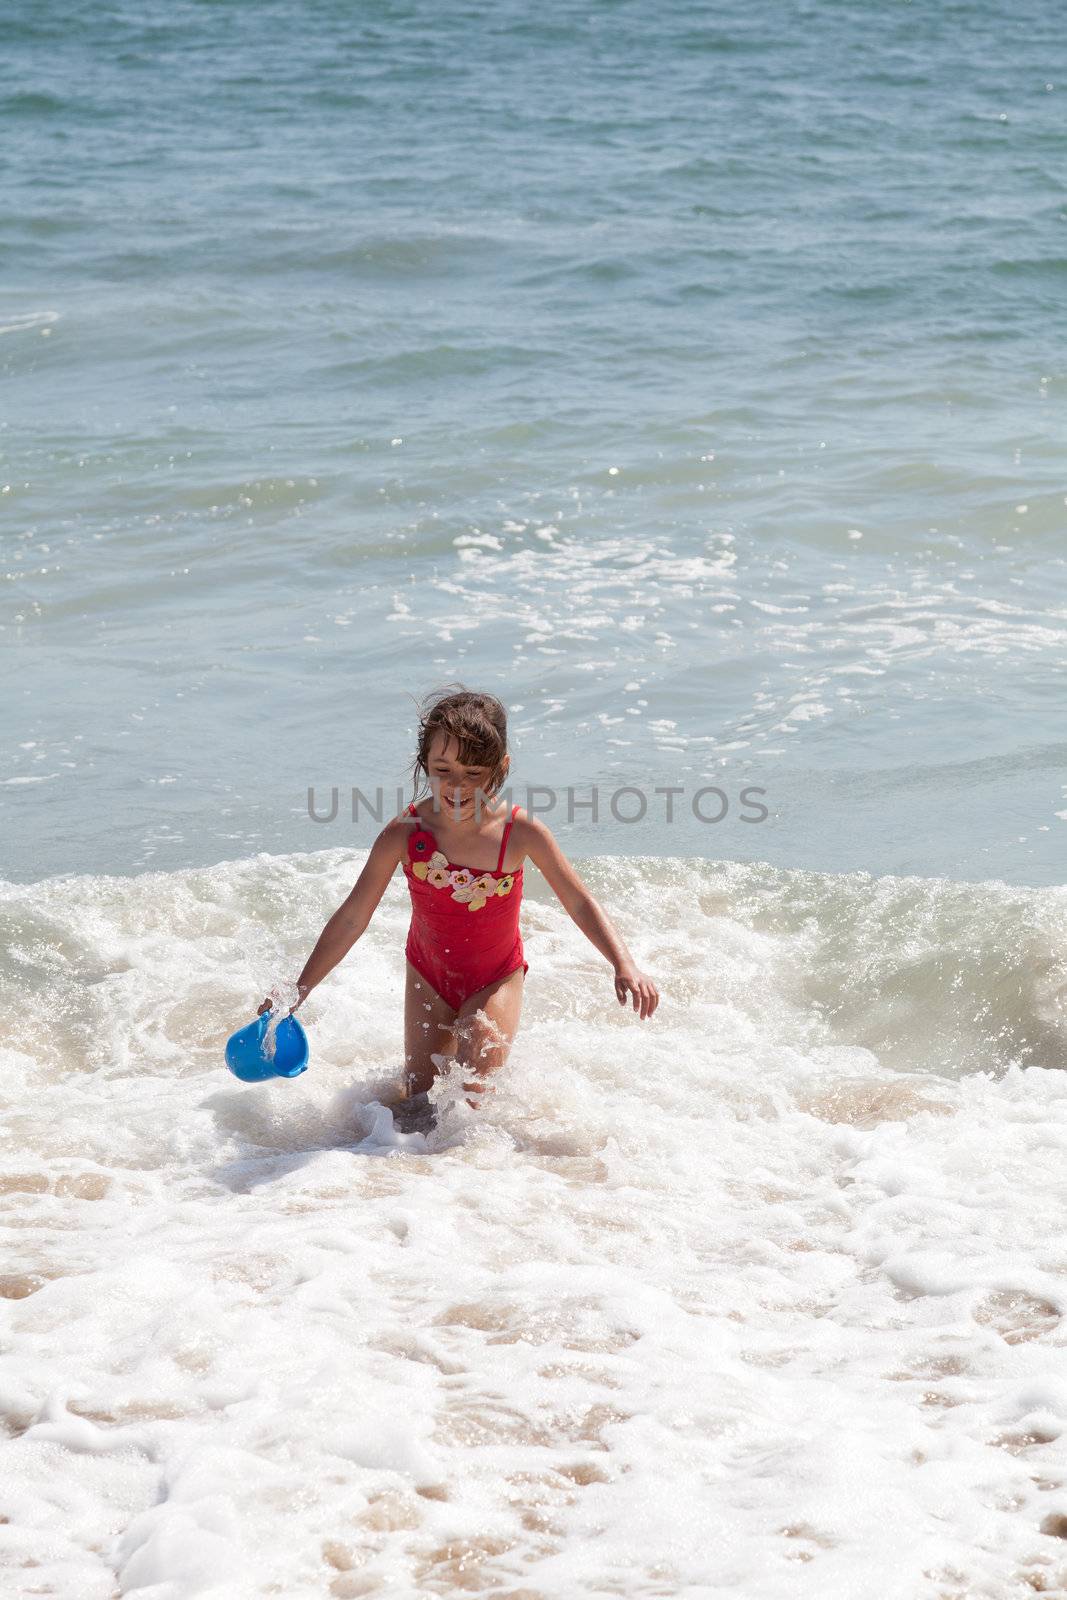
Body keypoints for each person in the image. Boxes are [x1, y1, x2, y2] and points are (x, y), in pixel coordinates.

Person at [258, 686, 659, 1127]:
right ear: (424, 765)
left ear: (499, 769)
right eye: (442, 769)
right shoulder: (404, 833)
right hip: (427, 976)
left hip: (495, 978)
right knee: (417, 1105)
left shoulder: (519, 833)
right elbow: (354, 915)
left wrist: (624, 964)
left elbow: (579, 902)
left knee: (468, 1107)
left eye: (472, 772)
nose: (456, 785)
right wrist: (299, 989)